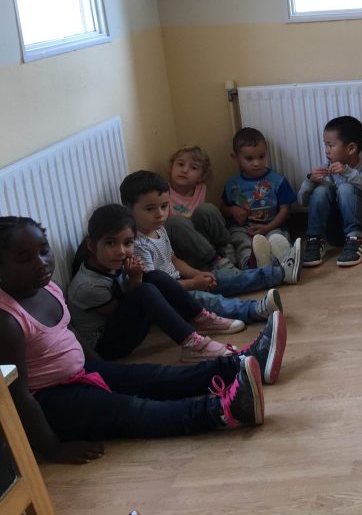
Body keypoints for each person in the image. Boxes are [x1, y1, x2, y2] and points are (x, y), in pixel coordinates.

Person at [0, 216, 287, 464]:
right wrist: (52, 449)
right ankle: (223, 412)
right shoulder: (7, 320)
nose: (41, 262)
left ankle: (238, 365)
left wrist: (107, 372)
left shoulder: (46, 287)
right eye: (24, 258)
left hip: (81, 373)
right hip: (53, 401)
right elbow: (18, 395)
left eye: (44, 250)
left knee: (153, 376)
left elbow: (70, 332)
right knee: (134, 411)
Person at [67, 204, 245, 361]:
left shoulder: (110, 261)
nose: (121, 251)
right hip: (106, 347)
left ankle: (200, 318)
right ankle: (192, 344)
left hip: (120, 328)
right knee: (144, 290)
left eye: (127, 243)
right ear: (92, 245)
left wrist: (139, 275)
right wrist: (135, 278)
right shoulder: (89, 286)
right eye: (110, 243)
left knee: (154, 276)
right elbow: (125, 310)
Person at [121, 171, 298, 321]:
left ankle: (280, 273)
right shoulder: (138, 245)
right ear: (128, 209)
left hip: (180, 282)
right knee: (210, 301)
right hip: (169, 298)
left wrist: (197, 274)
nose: (160, 214)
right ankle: (254, 310)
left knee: (227, 278)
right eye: (150, 209)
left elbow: (173, 260)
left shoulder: (159, 229)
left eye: (164, 206)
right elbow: (157, 288)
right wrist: (193, 284)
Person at [297, 115, 362, 268]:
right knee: (321, 190)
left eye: (330, 145)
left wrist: (349, 173)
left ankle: (356, 241)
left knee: (346, 188)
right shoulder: (325, 170)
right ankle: (315, 240)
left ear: (351, 148)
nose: (326, 151)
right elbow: (302, 202)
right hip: (333, 233)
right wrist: (310, 181)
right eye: (325, 145)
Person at [220, 127, 298, 268]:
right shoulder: (232, 184)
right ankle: (250, 264)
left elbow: (285, 210)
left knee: (276, 238)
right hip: (243, 229)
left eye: (261, 157)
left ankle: (280, 261)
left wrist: (267, 227)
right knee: (242, 241)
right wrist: (232, 210)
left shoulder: (277, 181)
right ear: (235, 157)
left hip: (271, 224)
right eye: (249, 159)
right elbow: (223, 208)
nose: (256, 163)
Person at [164, 145, 239, 271]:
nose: (185, 170)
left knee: (207, 209)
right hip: (184, 249)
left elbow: (203, 221)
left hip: (205, 242)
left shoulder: (200, 189)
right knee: (176, 222)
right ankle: (214, 260)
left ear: (201, 176)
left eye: (193, 168)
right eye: (180, 164)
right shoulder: (163, 192)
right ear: (171, 167)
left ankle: (225, 247)